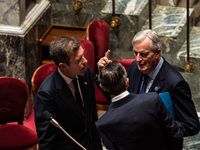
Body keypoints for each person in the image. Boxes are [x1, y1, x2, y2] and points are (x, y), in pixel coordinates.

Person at [97, 29, 200, 137]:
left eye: (143, 54)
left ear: (157, 53)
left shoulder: (174, 83)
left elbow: (191, 126)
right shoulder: (134, 68)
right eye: (135, 53)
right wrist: (103, 75)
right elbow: (119, 99)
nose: (137, 59)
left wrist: (156, 127)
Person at [96, 62, 183, 150]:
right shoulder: (152, 99)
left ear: (102, 87)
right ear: (127, 82)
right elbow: (175, 134)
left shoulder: (103, 123)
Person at [34, 36, 102, 150]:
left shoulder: (86, 74)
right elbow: (46, 141)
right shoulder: (46, 94)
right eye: (79, 60)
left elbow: (92, 117)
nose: (85, 61)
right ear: (63, 66)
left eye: (83, 55)